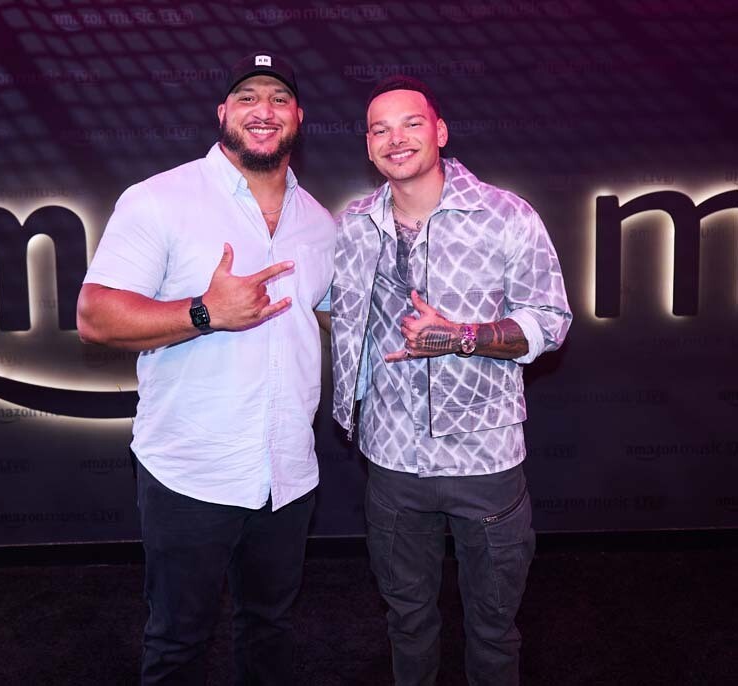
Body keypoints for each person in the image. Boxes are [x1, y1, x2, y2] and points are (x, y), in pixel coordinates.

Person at [77, 52, 335, 685]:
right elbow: (96, 316)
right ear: (223, 112)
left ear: (298, 116)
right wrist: (204, 312)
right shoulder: (160, 199)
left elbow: (323, 316)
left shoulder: (319, 221)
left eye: (278, 97)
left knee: (269, 628)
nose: (263, 110)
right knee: (177, 643)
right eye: (247, 97)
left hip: (287, 473)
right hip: (191, 472)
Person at [330, 75, 572, 686]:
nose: (396, 138)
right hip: (390, 461)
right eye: (379, 129)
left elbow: (551, 321)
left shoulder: (506, 216)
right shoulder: (355, 224)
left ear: (439, 131)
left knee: (493, 631)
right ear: (367, 146)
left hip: (484, 462)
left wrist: (463, 336)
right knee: (407, 623)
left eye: (411, 123)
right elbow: (331, 307)